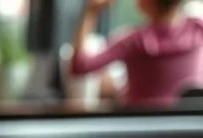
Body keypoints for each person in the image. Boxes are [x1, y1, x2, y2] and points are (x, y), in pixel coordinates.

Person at [71, 0, 203, 106]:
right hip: (186, 125)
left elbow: (80, 65)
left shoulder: (134, 40)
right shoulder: (198, 29)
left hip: (138, 124)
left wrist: (90, 11)